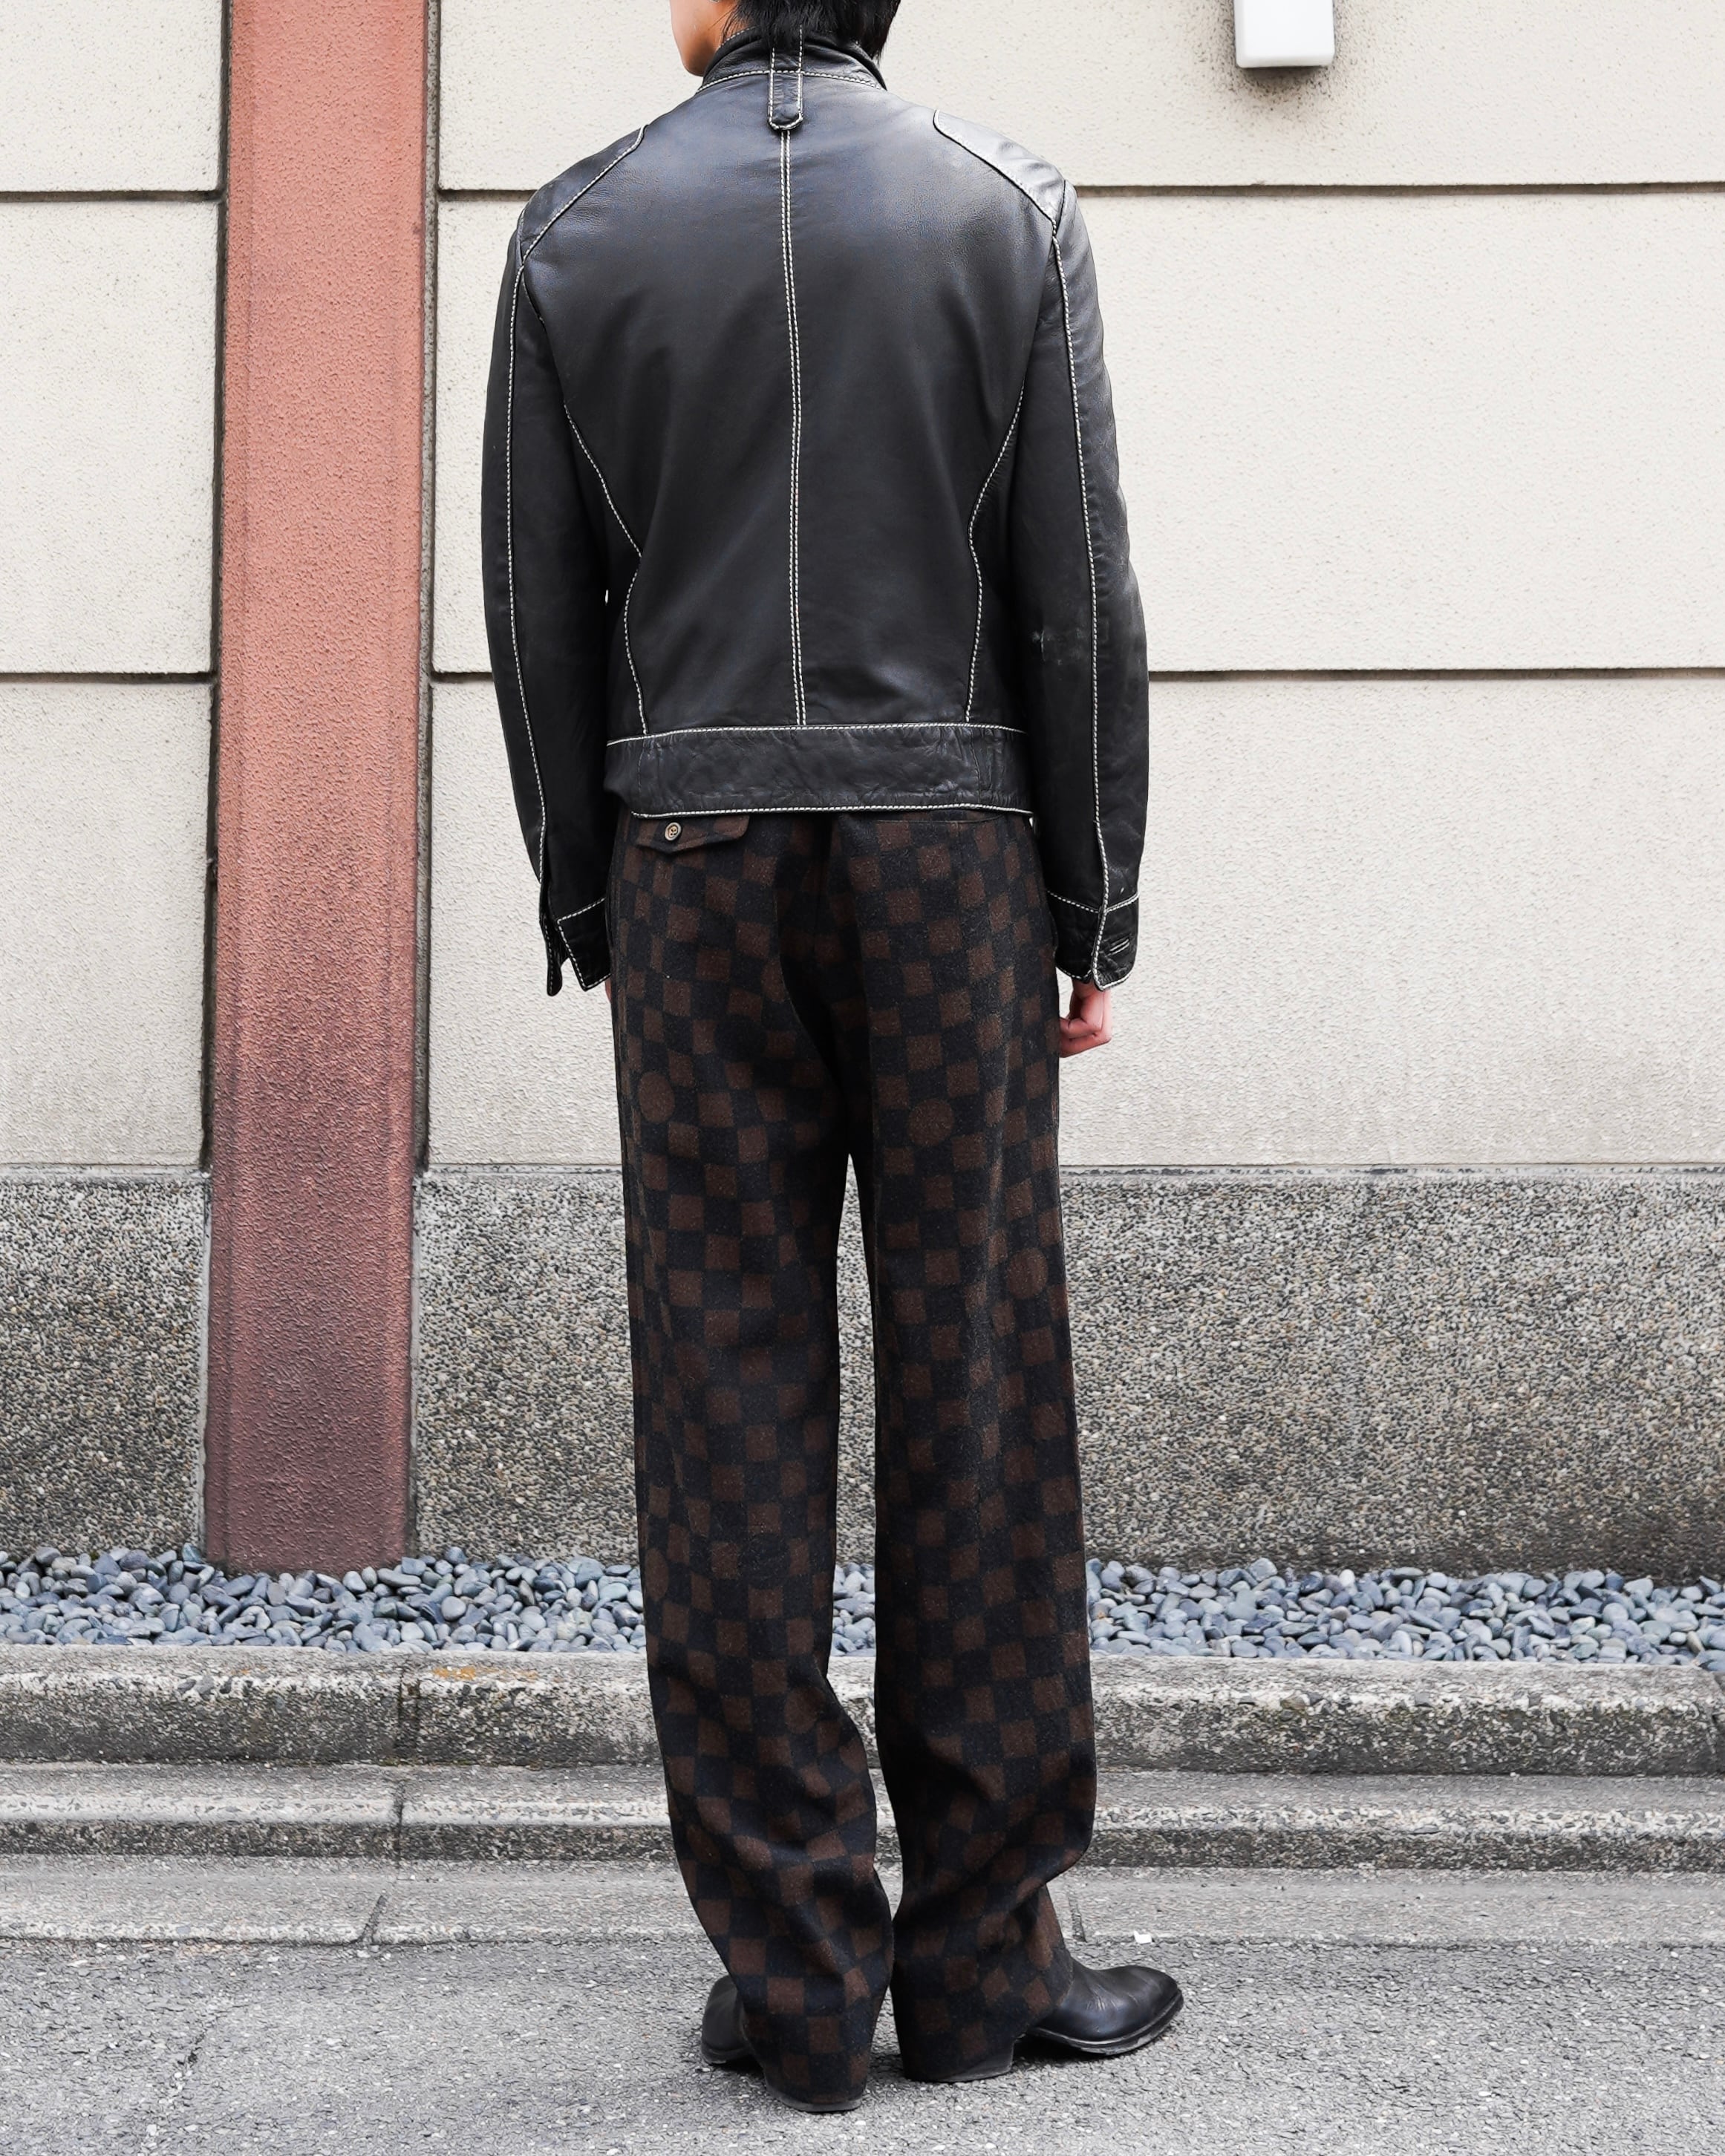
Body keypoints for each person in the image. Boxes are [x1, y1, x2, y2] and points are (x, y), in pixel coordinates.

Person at [481, 0, 1179, 2114]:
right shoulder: (1002, 207)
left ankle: (794, 1974)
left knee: (722, 1387)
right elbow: (1074, 585)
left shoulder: (576, 228)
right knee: (976, 1381)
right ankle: (981, 1964)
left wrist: (584, 892)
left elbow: (535, 600)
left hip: (690, 863)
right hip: (951, 865)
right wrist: (1089, 904)